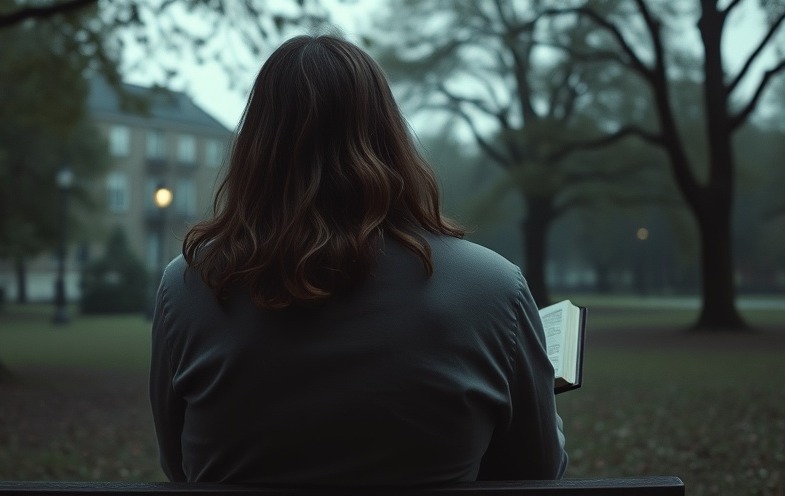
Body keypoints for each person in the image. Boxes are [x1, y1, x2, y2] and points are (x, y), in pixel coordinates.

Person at [149, 33, 567, 485]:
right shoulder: (494, 288)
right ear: (390, 137)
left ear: (257, 147)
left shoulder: (190, 286)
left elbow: (178, 466)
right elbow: (538, 471)